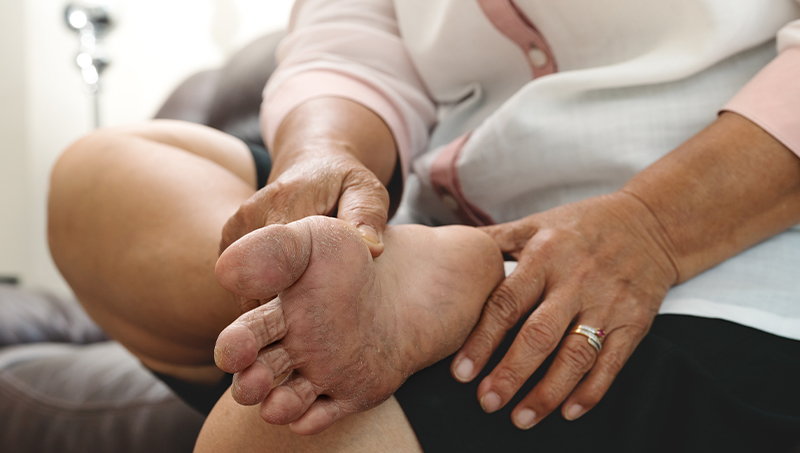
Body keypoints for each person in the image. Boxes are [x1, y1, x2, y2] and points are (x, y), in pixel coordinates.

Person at [48, 0, 800, 452]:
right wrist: (324, 158)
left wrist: (650, 227)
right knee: (103, 178)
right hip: (445, 209)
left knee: (286, 440)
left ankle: (387, 292)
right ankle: (365, 280)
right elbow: (355, 30)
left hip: (721, 251)